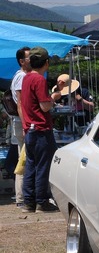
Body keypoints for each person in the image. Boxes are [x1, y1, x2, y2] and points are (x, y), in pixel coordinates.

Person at [20, 46, 62, 213]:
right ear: (46, 62)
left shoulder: (26, 78)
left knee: (31, 166)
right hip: (41, 129)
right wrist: (54, 97)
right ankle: (42, 202)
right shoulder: (40, 80)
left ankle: (28, 202)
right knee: (44, 166)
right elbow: (45, 107)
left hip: (29, 129)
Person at [9, 46, 31, 209]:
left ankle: (24, 196)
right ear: (22, 61)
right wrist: (25, 125)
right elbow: (21, 104)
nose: (32, 59)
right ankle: (21, 197)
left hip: (21, 121)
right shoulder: (22, 76)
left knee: (25, 157)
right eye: (29, 57)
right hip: (21, 121)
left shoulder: (23, 75)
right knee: (24, 158)